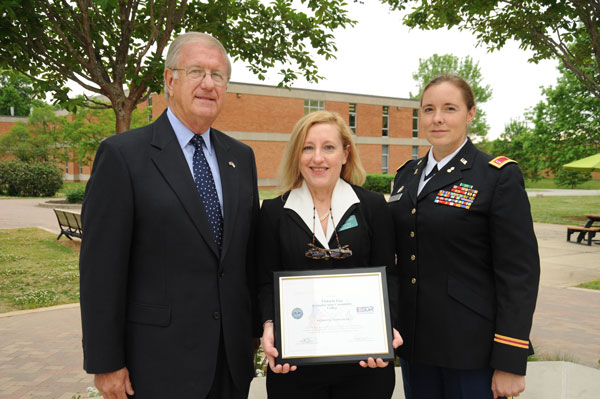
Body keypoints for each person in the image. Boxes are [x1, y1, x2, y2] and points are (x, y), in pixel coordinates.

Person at [79, 32, 260, 399]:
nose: (209, 84)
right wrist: (106, 361)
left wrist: (256, 330)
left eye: (218, 75)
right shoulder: (122, 155)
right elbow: (100, 269)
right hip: (156, 366)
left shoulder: (240, 157)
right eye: (196, 71)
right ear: (170, 80)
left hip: (230, 364)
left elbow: (246, 256)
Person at [389, 74, 540, 399]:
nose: (437, 118)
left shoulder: (496, 176)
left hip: (472, 352)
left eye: (450, 108)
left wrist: (510, 359)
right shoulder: (406, 176)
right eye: (428, 109)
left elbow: (519, 273)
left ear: (471, 113)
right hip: (416, 348)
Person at [257, 110, 403, 399]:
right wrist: (269, 325)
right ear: (296, 155)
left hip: (364, 362)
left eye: (328, 147)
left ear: (345, 154)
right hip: (295, 365)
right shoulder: (274, 212)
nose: (317, 158)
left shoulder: (373, 207)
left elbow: (390, 276)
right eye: (307, 148)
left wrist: (389, 326)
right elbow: (263, 280)